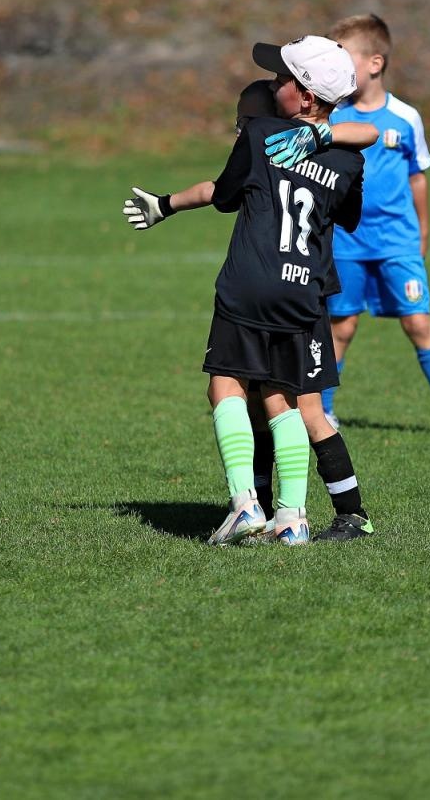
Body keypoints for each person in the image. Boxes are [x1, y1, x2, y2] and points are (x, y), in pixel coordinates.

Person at [123, 36, 365, 546]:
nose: (274, 84)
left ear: (303, 96)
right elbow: (347, 215)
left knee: (226, 386)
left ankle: (245, 505)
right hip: (304, 291)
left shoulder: (259, 136)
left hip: (251, 283)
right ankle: (293, 520)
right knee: (284, 399)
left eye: (283, 80)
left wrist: (168, 203)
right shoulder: (348, 159)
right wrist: (324, 141)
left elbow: (225, 195)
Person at [320, 14, 430, 440]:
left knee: (418, 323)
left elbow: (418, 176)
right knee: (342, 326)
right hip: (346, 242)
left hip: (397, 242)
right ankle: (324, 410)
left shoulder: (406, 118)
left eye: (343, 59)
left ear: (375, 62)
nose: (334, 70)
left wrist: (422, 232)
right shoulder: (332, 118)